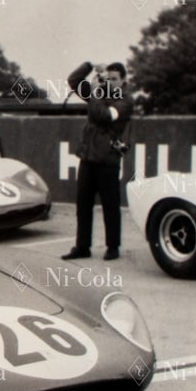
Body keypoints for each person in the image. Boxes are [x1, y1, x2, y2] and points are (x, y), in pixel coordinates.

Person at [62, 61, 133, 261]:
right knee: (83, 205)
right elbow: (73, 81)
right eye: (107, 79)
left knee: (110, 205)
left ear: (123, 81)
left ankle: (113, 246)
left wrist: (95, 93)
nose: (110, 83)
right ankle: (82, 246)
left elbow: (103, 116)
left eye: (114, 79)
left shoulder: (126, 100)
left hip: (108, 159)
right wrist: (89, 66)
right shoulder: (99, 94)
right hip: (88, 157)